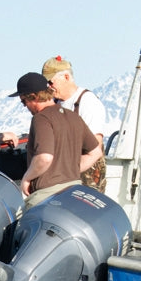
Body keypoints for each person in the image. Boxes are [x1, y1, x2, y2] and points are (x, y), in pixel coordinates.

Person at [10, 71, 100, 200]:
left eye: (24, 101)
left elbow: (44, 158)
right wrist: (70, 170)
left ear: (33, 96)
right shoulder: (73, 116)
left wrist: (27, 178)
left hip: (47, 195)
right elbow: (95, 152)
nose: (25, 106)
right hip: (74, 192)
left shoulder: (41, 118)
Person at [42, 56, 111, 191]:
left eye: (51, 82)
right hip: (61, 175)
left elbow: (95, 144)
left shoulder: (87, 102)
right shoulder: (54, 104)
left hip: (86, 177)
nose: (49, 87)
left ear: (66, 77)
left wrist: (69, 169)